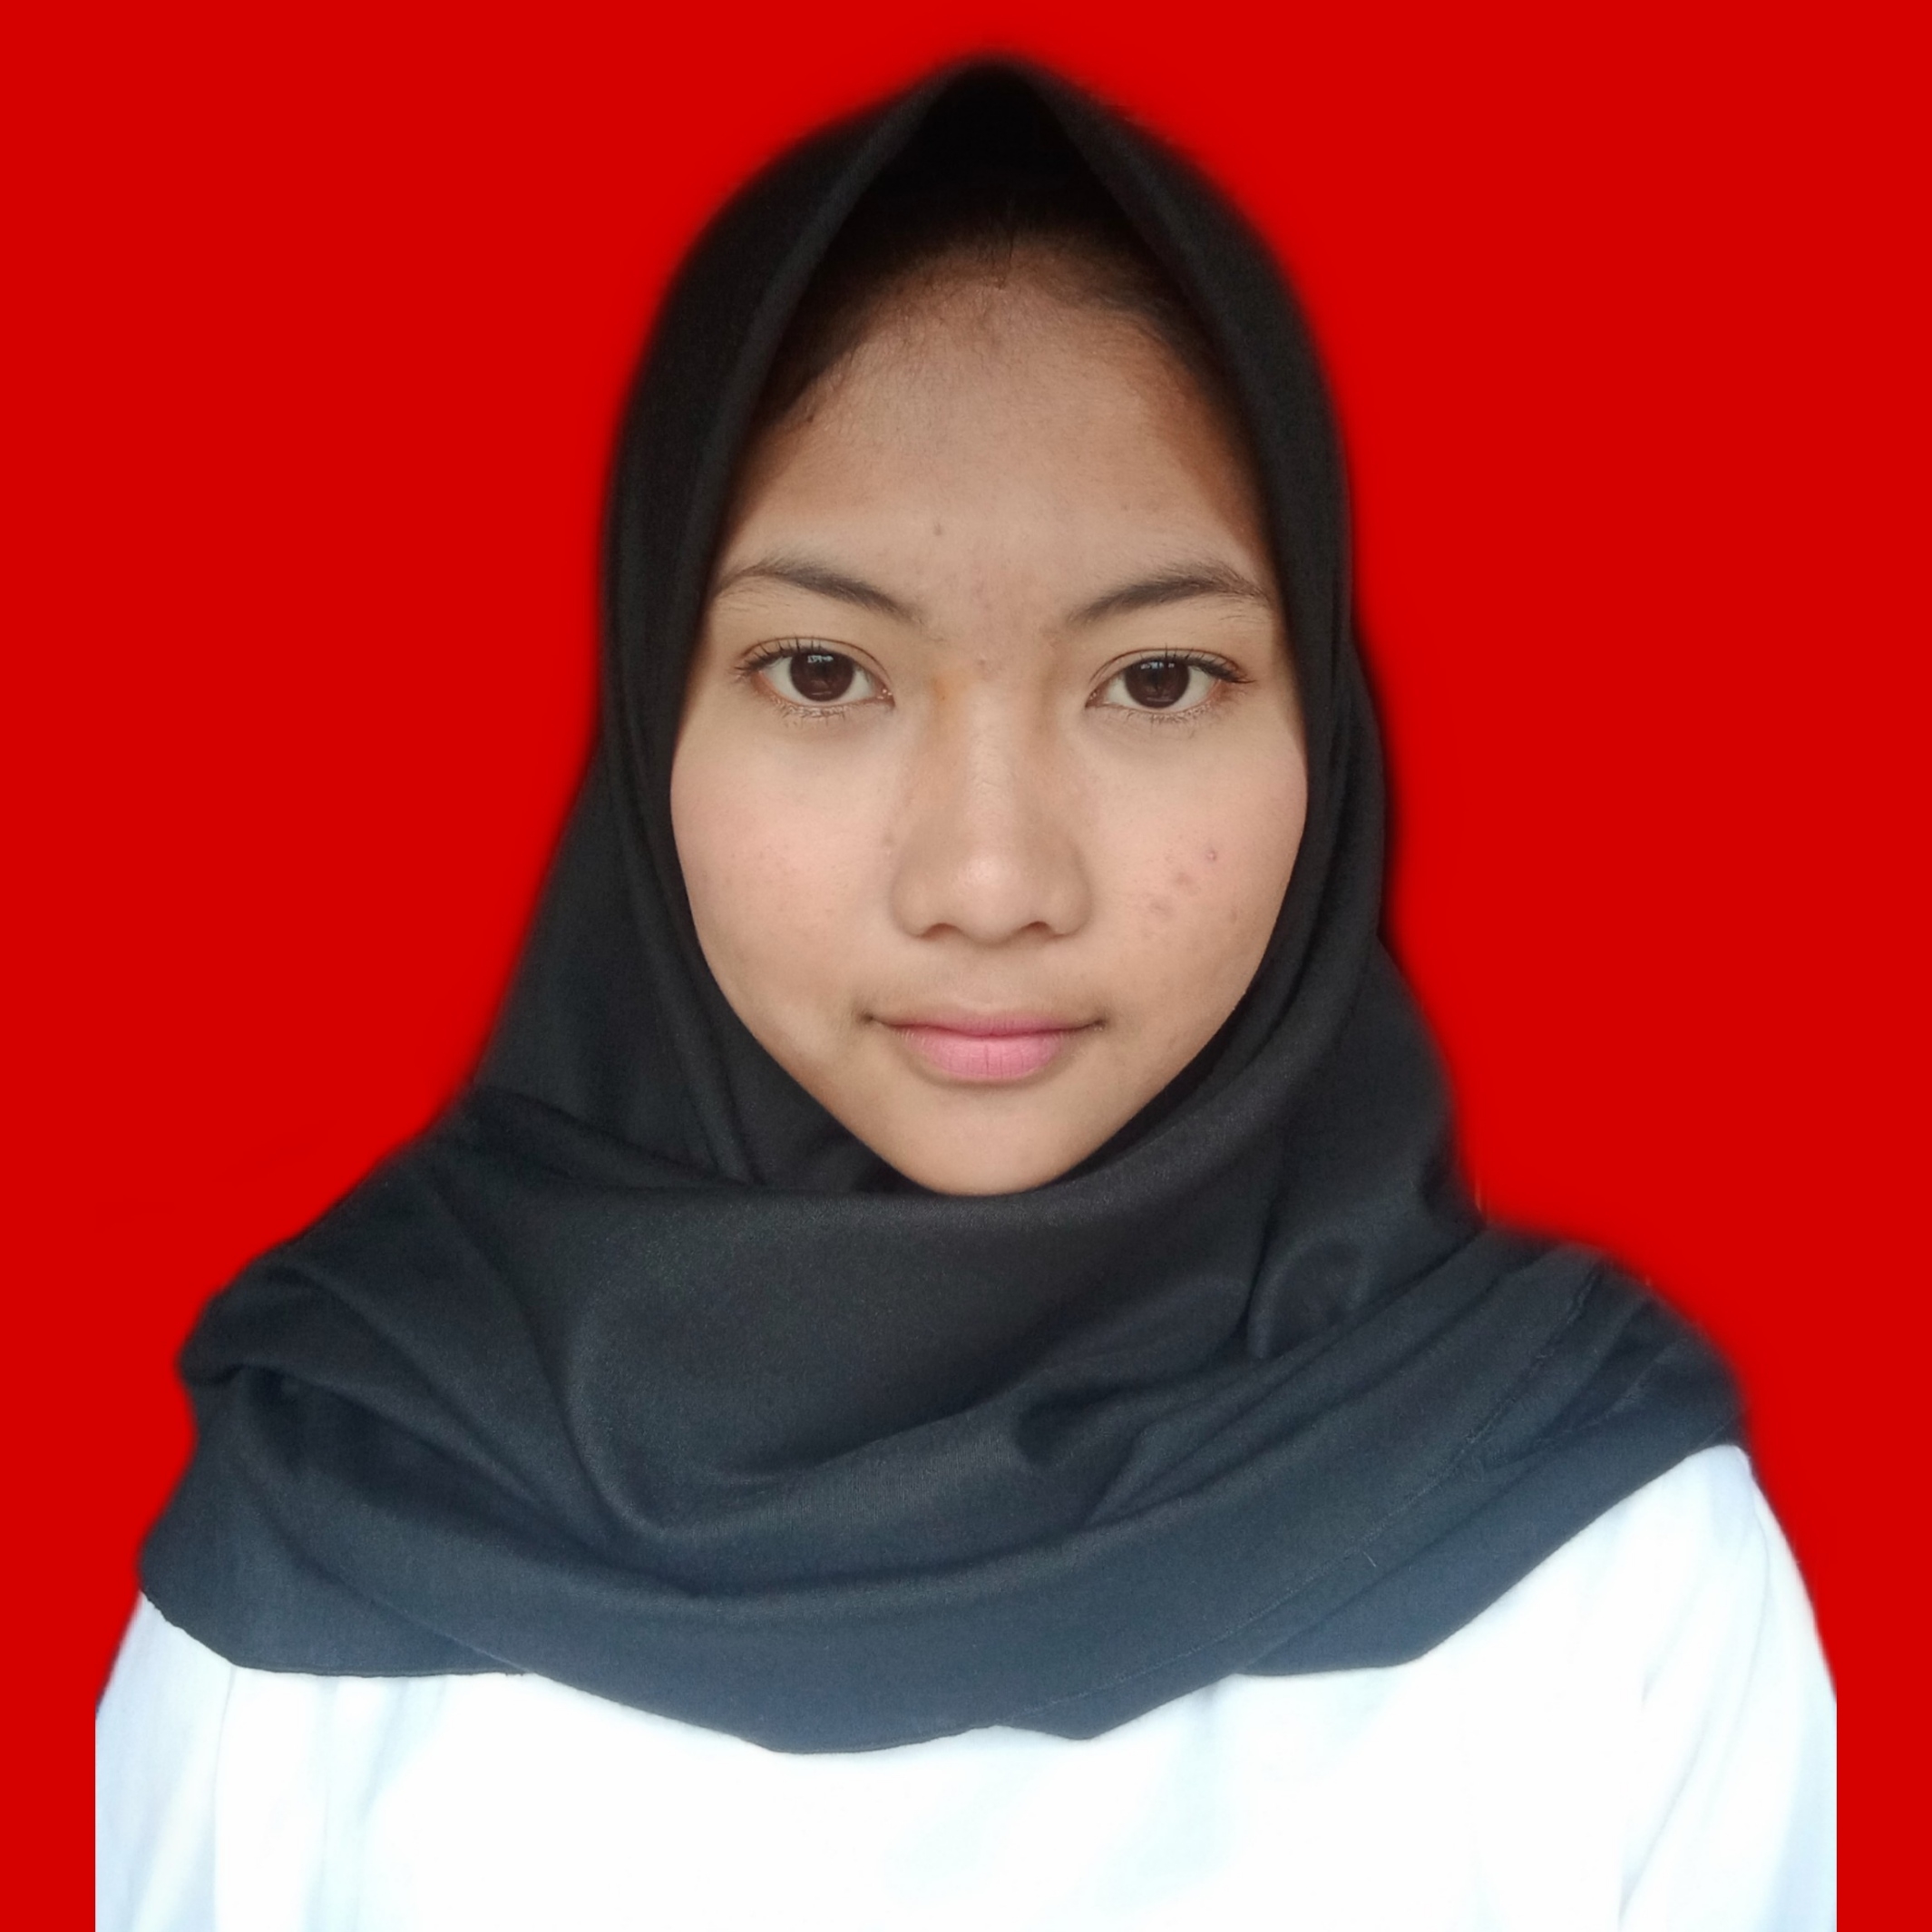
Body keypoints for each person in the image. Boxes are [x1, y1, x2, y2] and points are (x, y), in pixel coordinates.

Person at [95, 60, 1834, 1931]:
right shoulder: (323, 1548)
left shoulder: (1607, 1567)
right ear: (650, 711)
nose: (991, 884)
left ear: (1324, 736)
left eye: (1155, 680)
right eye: (822, 673)